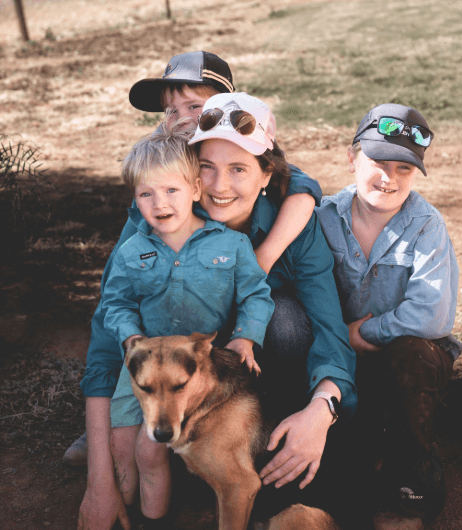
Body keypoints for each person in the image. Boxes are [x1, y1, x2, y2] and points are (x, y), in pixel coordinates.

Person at [77, 91, 356, 530]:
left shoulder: (296, 222)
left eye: (239, 170)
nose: (220, 187)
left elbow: (329, 329)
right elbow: (106, 329)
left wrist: (321, 410)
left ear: (267, 176)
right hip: (176, 366)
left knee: (283, 320)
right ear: (191, 176)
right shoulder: (158, 215)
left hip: (254, 370)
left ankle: (253, 441)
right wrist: (99, 481)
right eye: (206, 168)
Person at [65, 50, 320, 465]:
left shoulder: (252, 157)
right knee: (146, 295)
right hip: (179, 329)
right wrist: (98, 438)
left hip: (244, 316)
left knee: (284, 321)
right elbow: (114, 300)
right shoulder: (162, 187)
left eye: (195, 107)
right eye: (171, 110)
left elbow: (299, 179)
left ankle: (267, 419)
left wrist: (273, 244)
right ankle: (135, 410)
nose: (182, 119)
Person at [100, 124, 275, 521]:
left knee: (155, 448)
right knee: (128, 449)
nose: (159, 203)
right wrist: (130, 337)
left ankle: (160, 516)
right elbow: (116, 303)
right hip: (145, 361)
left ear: (196, 189)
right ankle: (141, 515)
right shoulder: (132, 251)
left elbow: (255, 295)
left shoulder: (231, 244)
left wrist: (247, 338)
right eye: (146, 193)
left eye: (171, 190)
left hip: (199, 361)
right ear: (135, 198)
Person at [316, 103, 462, 525]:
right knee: (348, 478)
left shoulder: (425, 224)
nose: (390, 178)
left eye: (404, 169)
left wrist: (361, 332)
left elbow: (432, 316)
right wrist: (339, 341)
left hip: (407, 365)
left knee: (413, 353)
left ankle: (413, 480)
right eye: (379, 162)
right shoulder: (322, 218)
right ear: (351, 158)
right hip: (339, 361)